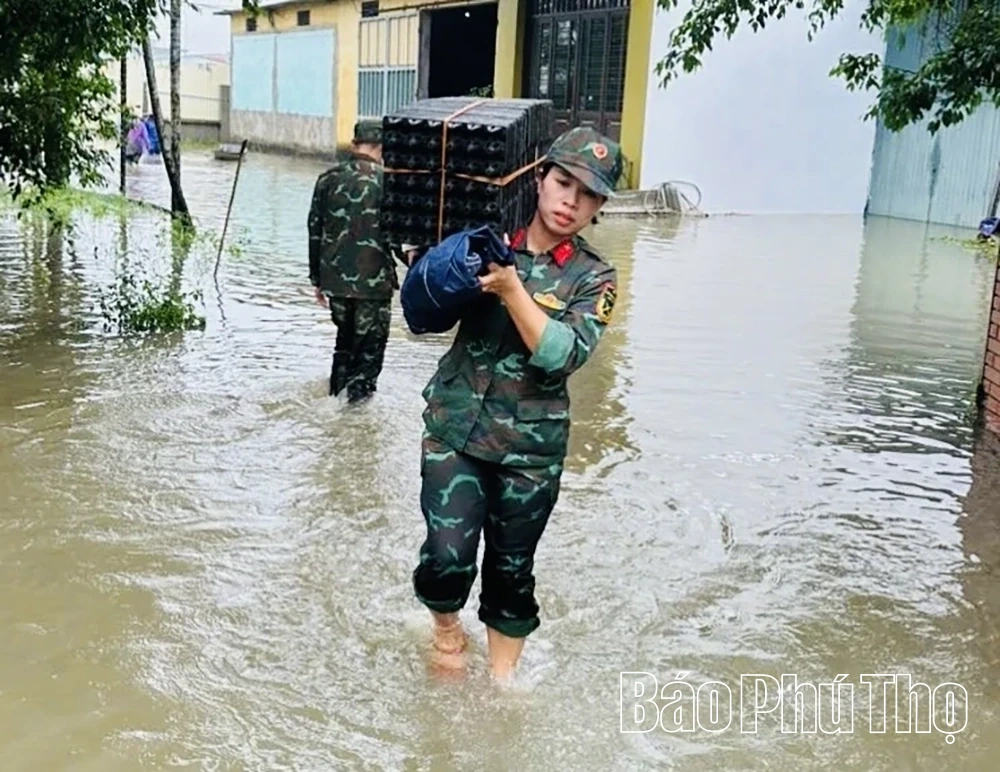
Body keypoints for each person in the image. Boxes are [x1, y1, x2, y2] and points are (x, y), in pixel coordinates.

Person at [411, 126, 624, 680]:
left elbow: (560, 354)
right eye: (562, 182)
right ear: (539, 180)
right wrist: (432, 267)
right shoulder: (485, 243)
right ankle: (446, 630)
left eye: (588, 194)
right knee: (446, 556)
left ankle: (501, 688)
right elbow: (421, 316)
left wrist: (510, 289)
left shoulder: (594, 276)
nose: (570, 201)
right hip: (456, 429)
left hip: (530, 450)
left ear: (598, 206)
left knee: (511, 571)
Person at [308, 120, 398, 402]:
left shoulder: (327, 179)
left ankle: (334, 403)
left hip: (335, 284)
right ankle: (356, 425)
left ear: (356, 143)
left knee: (344, 346)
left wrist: (317, 281)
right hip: (373, 285)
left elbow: (314, 231)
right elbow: (396, 237)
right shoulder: (388, 181)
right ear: (381, 147)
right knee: (368, 357)